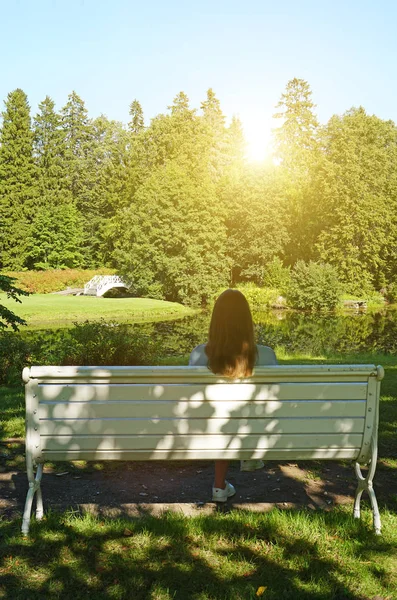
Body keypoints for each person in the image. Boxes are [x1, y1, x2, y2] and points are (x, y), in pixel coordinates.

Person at [189, 288, 277, 502]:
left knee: (222, 418)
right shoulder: (265, 355)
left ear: (215, 321)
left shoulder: (199, 355)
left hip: (207, 429)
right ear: (247, 321)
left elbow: (190, 398)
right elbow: (276, 399)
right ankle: (249, 457)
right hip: (252, 428)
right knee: (247, 412)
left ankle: (219, 487)